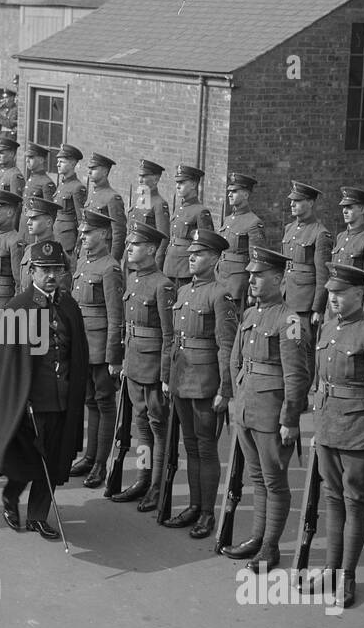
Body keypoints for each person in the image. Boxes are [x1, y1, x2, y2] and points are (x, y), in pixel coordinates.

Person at [0, 240, 88, 540]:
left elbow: (76, 353)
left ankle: (39, 515)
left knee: (53, 458)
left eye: (57, 269)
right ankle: (11, 496)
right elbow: (6, 364)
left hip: (62, 397)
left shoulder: (69, 305)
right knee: (28, 456)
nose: (51, 276)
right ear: (31, 271)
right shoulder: (19, 307)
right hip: (29, 400)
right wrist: (20, 397)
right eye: (44, 270)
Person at [311, 263, 364, 605]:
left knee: (354, 502)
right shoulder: (328, 329)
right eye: (331, 292)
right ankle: (331, 570)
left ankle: (347, 576)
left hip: (358, 434)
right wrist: (318, 428)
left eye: (341, 293)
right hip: (329, 429)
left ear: (359, 294)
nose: (334, 298)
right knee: (332, 500)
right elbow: (322, 385)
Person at [222, 247, 309, 571]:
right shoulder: (250, 314)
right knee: (257, 478)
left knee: (274, 481)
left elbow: (297, 375)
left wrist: (290, 419)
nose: (252, 280)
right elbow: (236, 359)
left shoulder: (290, 321)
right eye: (251, 275)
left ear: (279, 279)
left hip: (272, 413)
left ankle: (271, 548)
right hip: (247, 408)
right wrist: (235, 400)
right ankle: (257, 539)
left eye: (259, 276)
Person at [166, 229, 238, 537]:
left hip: (207, 381)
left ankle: (208, 513)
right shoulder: (184, 292)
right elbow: (175, 342)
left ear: (216, 258)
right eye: (191, 252)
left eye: (200, 253)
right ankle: (194, 506)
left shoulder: (220, 294)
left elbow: (226, 344)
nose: (192, 257)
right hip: (182, 379)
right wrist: (169, 379)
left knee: (207, 448)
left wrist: (225, 388)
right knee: (190, 447)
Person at [110, 220, 174, 511]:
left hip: (153, 369)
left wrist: (165, 375)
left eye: (134, 245)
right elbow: (128, 326)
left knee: (159, 430)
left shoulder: (164, 285)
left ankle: (158, 487)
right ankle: (142, 479)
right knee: (141, 429)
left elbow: (169, 336)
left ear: (150, 249)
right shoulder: (133, 279)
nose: (129, 248)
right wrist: (124, 360)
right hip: (134, 363)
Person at [69, 209, 123, 489]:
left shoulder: (110, 268)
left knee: (104, 403)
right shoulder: (83, 262)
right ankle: (89, 457)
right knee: (90, 401)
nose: (83, 236)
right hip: (83, 345)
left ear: (103, 234)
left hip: (102, 347)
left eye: (88, 232)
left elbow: (116, 316)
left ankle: (102, 463)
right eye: (82, 232)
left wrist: (114, 356)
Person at [281, 181, 333, 388]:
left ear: (310, 203)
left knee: (303, 349)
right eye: (292, 201)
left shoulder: (320, 233)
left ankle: (301, 395)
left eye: (298, 201)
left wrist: (317, 308)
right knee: (288, 346)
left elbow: (322, 274)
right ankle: (291, 389)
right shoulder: (289, 228)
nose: (292, 205)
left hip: (304, 304)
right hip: (287, 298)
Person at [217, 172, 263, 311]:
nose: (230, 194)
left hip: (238, 285)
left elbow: (257, 260)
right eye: (229, 191)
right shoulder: (228, 219)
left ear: (246, 195)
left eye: (235, 191)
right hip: (220, 280)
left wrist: (252, 292)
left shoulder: (254, 222)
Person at [330, 187, 364, 313]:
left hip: (353, 307)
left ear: (362, 209)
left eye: (350, 207)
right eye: (343, 207)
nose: (344, 211)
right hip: (333, 307)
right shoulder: (340, 237)